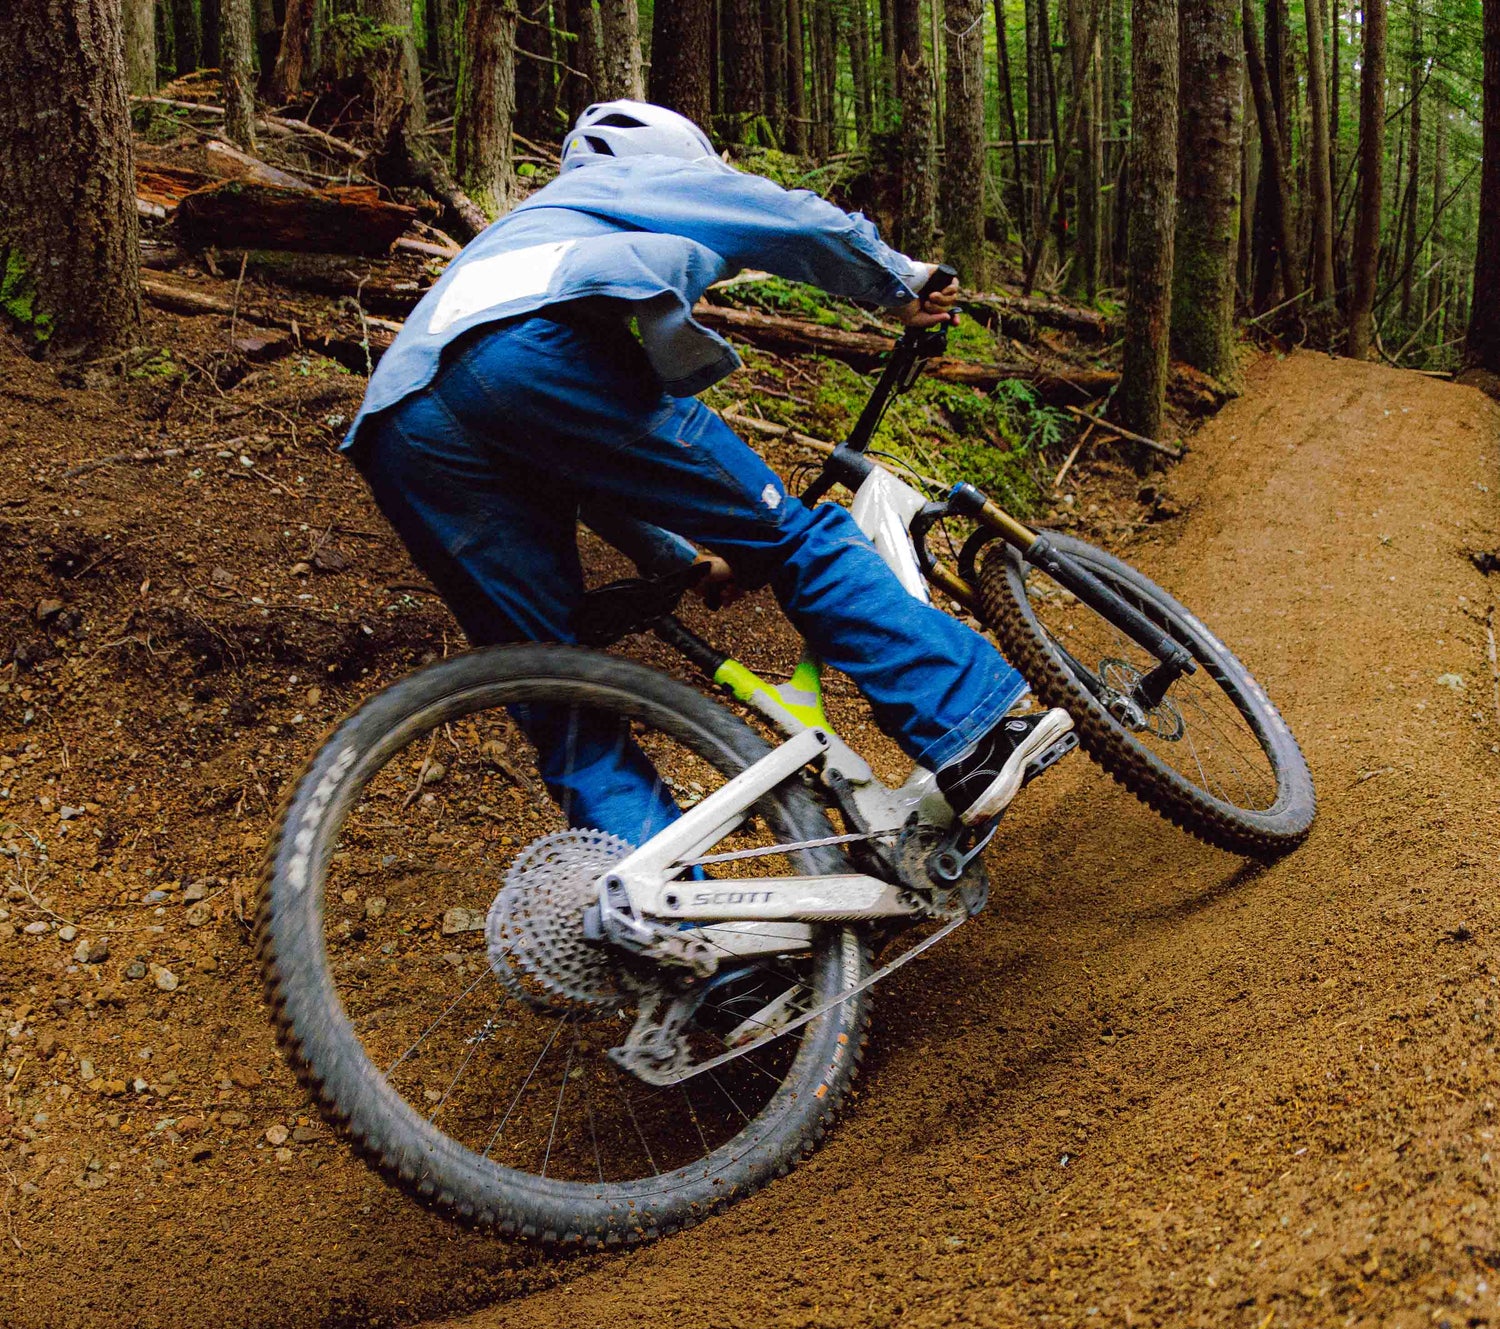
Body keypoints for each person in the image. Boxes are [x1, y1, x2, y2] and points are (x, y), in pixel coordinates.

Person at [346, 100, 1072, 844]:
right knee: (794, 540)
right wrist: (902, 278)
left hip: (401, 428)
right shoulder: (629, 180)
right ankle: (972, 728)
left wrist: (677, 553)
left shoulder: (514, 237)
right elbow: (785, 218)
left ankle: (671, 939)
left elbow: (555, 451)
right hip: (534, 352)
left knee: (555, 685)